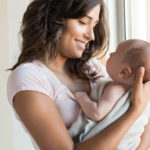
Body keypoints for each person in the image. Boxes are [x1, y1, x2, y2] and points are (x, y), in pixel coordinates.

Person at [7, 0, 150, 149]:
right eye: (83, 22)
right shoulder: (29, 77)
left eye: (94, 25)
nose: (91, 35)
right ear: (53, 18)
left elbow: (141, 129)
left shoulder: (91, 66)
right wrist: (135, 111)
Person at [69, 39, 150, 149]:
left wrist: (82, 97)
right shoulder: (143, 96)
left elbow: (96, 114)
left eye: (115, 53)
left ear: (124, 72)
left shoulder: (116, 89)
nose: (111, 54)